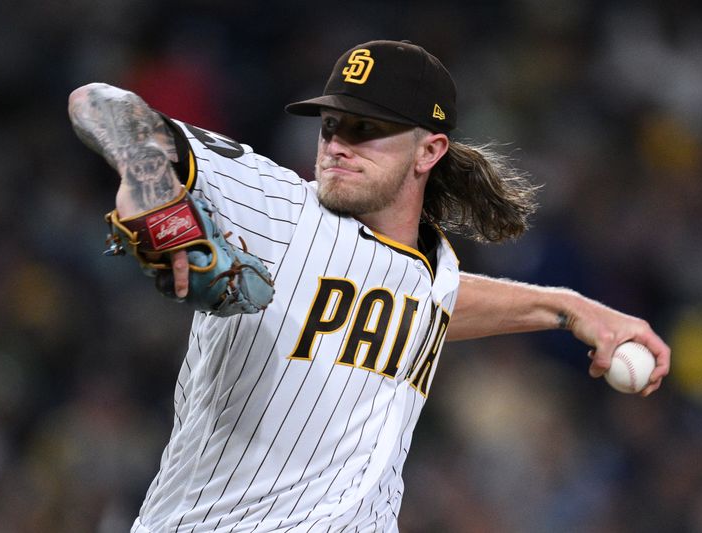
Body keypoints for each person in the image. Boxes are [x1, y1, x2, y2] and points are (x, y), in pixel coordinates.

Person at [69, 40, 670, 533]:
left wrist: (565, 307)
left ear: (429, 149)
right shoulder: (277, 204)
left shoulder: (432, 270)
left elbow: (427, 305)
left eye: (365, 128)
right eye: (331, 125)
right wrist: (156, 199)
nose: (337, 145)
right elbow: (104, 106)